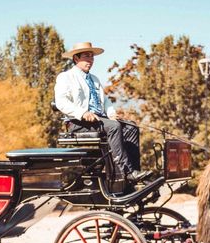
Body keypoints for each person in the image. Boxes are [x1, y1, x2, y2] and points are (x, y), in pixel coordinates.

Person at [54, 41, 149, 183]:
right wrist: (82, 113)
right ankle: (125, 172)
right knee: (114, 127)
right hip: (78, 122)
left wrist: (111, 113)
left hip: (99, 120)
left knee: (131, 127)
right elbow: (62, 102)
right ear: (76, 58)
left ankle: (135, 172)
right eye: (87, 56)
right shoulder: (66, 77)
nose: (90, 60)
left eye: (92, 57)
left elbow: (105, 101)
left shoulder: (95, 79)